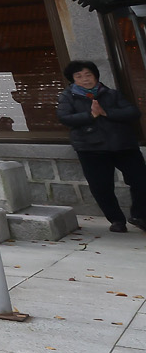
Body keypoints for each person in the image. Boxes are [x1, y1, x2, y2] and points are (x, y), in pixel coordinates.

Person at [57, 60, 146, 233]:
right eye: (79, 76)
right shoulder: (67, 97)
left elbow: (133, 112)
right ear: (73, 79)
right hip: (91, 148)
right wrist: (91, 115)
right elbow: (65, 118)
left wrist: (106, 113)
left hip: (123, 145)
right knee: (101, 187)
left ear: (96, 76)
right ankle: (116, 220)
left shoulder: (111, 94)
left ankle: (140, 215)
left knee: (141, 180)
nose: (85, 79)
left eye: (88, 74)